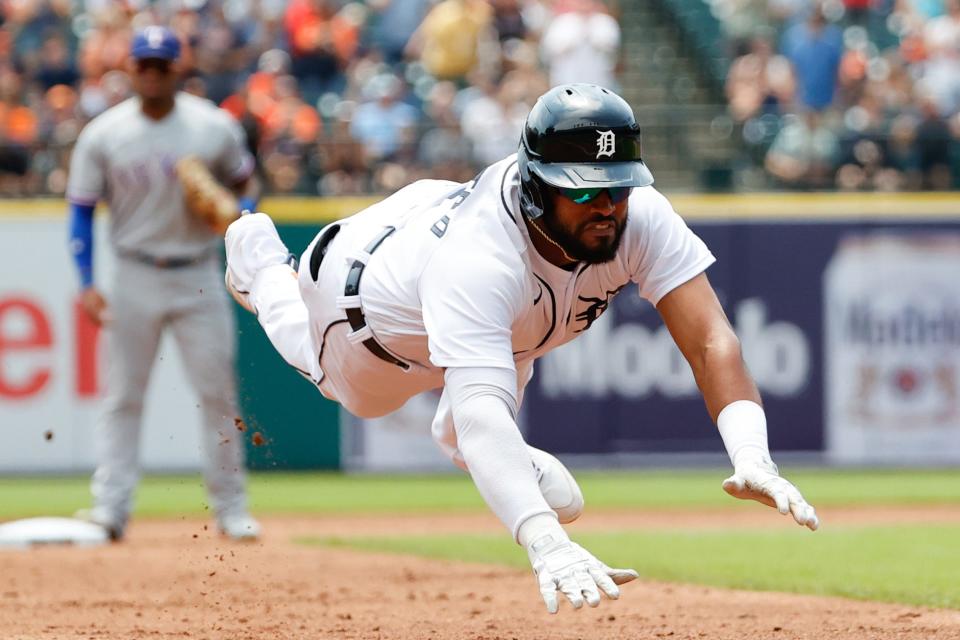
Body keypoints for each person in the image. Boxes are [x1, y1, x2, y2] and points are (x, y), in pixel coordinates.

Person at [224, 83, 820, 612]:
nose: (607, 206)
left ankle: (473, 444)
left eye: (618, 187)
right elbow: (484, 412)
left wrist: (752, 455)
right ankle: (262, 268)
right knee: (355, 394)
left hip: (481, 295)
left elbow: (712, 340)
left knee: (492, 394)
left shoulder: (637, 218)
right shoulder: (480, 260)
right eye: (584, 192)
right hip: (363, 312)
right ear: (536, 187)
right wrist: (544, 540)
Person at [66, 26, 262, 542]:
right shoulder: (104, 134)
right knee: (122, 395)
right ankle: (110, 508)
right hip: (131, 271)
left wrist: (235, 211)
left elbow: (247, 192)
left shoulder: (213, 126)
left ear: (179, 69)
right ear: (130, 69)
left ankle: (231, 508)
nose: (152, 73)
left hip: (196, 271)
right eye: (144, 64)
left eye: (162, 65)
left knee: (217, 393)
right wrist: (86, 281)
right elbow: (81, 212)